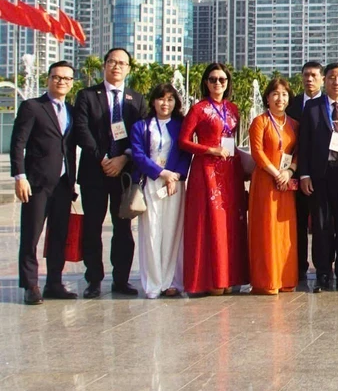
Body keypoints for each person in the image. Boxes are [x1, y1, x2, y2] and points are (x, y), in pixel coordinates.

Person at [73, 47, 146, 298]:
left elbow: (141, 136)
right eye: (112, 62)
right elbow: (81, 130)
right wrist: (103, 159)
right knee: (92, 227)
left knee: (123, 228)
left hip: (123, 174)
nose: (117, 67)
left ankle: (121, 280)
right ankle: (93, 280)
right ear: (105, 65)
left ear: (128, 69)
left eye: (122, 63)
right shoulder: (87, 96)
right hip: (94, 172)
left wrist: (123, 159)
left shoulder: (136, 100)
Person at [179, 62, 249, 296]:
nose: (217, 83)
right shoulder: (198, 109)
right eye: (212, 79)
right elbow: (183, 141)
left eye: (222, 79)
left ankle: (230, 277)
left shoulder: (233, 109)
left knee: (230, 223)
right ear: (206, 83)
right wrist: (209, 150)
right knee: (209, 222)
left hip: (230, 171)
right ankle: (210, 279)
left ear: (228, 83)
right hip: (206, 171)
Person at [12, 61, 79, 304]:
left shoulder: (71, 111)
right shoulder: (32, 107)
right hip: (37, 183)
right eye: (57, 77)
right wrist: (20, 177)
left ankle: (54, 283)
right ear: (48, 79)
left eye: (67, 78)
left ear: (72, 83)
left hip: (63, 184)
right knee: (31, 235)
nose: (61, 82)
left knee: (58, 235)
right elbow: (18, 143)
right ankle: (30, 285)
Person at [296, 62, 338, 293]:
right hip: (320, 175)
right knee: (321, 226)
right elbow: (304, 144)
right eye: (332, 78)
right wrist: (304, 174)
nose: (336, 82)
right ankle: (323, 273)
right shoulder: (313, 108)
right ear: (324, 81)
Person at [129, 83, 191, 298]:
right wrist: (162, 173)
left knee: (173, 231)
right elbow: (138, 155)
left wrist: (176, 176)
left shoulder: (180, 126)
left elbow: (186, 153)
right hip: (152, 181)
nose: (165, 103)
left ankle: (171, 281)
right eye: (161, 99)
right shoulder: (141, 126)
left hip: (175, 184)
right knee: (152, 231)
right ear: (153, 102)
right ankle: (154, 283)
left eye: (170, 99)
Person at [247, 77, 300, 295]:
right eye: (275, 94)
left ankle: (285, 278)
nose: (280, 98)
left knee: (285, 232)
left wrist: (289, 172)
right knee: (266, 229)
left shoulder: (294, 124)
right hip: (265, 182)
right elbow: (257, 152)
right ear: (267, 98)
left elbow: (298, 152)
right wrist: (276, 173)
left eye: (284, 94)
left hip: (285, 184)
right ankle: (266, 280)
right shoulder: (259, 122)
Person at [286, 60, 322, 282]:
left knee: (321, 225)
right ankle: (298, 267)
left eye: (314, 75)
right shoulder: (291, 104)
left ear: (321, 79)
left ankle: (323, 268)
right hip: (294, 174)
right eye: (306, 75)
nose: (309, 79)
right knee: (297, 223)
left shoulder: (328, 104)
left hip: (322, 175)